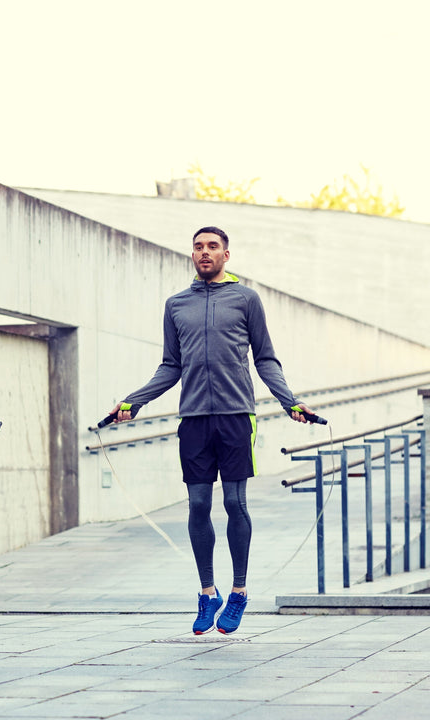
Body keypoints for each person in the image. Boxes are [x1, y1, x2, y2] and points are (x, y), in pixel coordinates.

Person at [104, 226, 316, 635]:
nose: (204, 252)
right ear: (193, 254)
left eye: (212, 247)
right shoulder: (176, 305)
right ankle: (207, 593)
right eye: (198, 247)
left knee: (235, 504)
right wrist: (134, 400)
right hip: (194, 419)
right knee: (198, 506)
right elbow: (170, 365)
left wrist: (290, 400)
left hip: (237, 416)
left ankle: (238, 592)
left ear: (226, 255)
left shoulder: (246, 299)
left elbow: (265, 358)